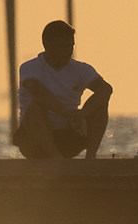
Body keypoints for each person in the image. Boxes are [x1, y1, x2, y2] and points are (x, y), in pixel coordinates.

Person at [15, 20, 112, 160]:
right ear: (47, 45)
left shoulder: (80, 69)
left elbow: (105, 89)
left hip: (69, 137)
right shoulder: (30, 67)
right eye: (63, 46)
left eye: (71, 46)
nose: (69, 51)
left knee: (101, 104)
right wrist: (67, 113)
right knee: (36, 106)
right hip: (34, 141)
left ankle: (90, 158)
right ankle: (56, 160)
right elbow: (38, 92)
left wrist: (83, 113)